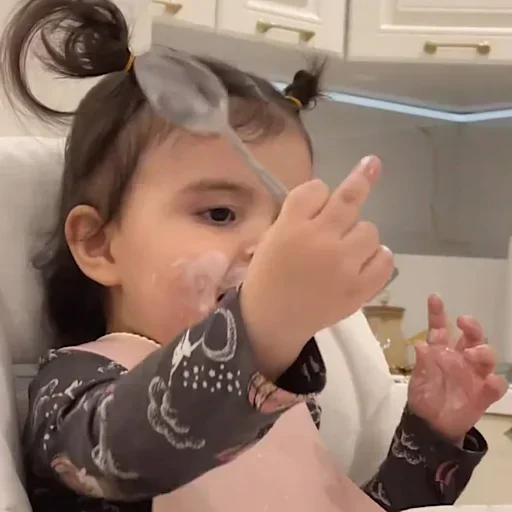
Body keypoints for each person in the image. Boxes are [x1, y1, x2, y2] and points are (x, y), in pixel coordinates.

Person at [0, 0, 507, 511]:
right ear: (99, 245)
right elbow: (136, 446)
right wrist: (260, 331)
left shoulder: (287, 402)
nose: (270, 248)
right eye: (220, 214)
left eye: (286, 223)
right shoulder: (75, 388)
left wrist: (432, 436)